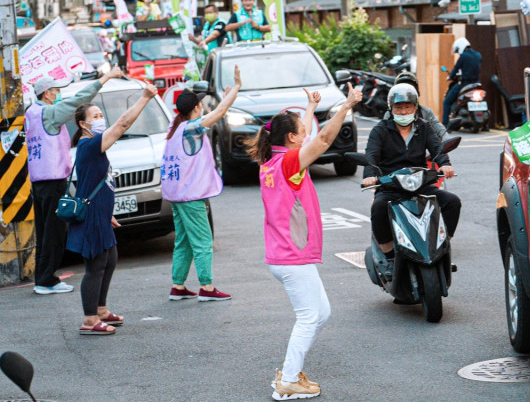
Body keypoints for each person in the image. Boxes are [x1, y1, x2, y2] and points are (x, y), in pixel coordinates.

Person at [247, 84, 361, 401]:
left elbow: (309, 138)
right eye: (301, 130)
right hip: (291, 258)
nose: (306, 133)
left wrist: (309, 110)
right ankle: (287, 381)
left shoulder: (272, 160)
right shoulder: (290, 163)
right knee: (310, 317)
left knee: (320, 313)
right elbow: (322, 140)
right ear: (292, 139)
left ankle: (290, 374)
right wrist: (347, 105)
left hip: (282, 255)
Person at [68, 82, 159, 334]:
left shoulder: (94, 144)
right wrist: (144, 98)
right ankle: (89, 320)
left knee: (110, 259)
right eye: (95, 117)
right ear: (82, 125)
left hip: (100, 214)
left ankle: (100, 310)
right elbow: (122, 125)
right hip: (91, 216)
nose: (100, 119)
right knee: (95, 266)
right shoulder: (88, 146)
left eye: (100, 115)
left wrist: (107, 214)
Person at [25, 67, 123, 295]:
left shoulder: (32, 112)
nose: (59, 94)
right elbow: (80, 100)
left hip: (39, 182)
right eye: (57, 91)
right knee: (55, 233)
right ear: (47, 93)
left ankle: (44, 278)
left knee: (45, 232)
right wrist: (105, 78)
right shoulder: (49, 113)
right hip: (52, 182)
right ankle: (47, 280)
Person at [164, 67, 242, 302]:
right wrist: (235, 89)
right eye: (200, 103)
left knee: (185, 241)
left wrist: (227, 97)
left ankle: (178, 286)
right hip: (190, 196)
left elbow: (213, 113)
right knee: (202, 241)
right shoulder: (190, 129)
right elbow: (216, 114)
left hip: (176, 195)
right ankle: (206, 288)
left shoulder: (175, 127)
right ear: (195, 108)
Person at [365, 84, 460, 273]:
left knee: (452, 202)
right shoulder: (380, 130)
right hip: (390, 185)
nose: (403, 111)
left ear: (415, 108)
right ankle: (389, 257)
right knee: (378, 208)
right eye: (399, 108)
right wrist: (370, 176)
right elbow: (371, 155)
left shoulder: (423, 127)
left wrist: (445, 164)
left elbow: (437, 149)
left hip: (419, 183)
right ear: (391, 108)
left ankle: (442, 247)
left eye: (407, 107)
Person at [383, 71, 447, 140]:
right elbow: (381, 135)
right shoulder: (389, 115)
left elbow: (439, 129)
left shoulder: (425, 113)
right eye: (399, 108)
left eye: (408, 107)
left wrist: (446, 138)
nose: (404, 112)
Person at [442, 37, 482, 125]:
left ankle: (445, 124)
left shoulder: (463, 56)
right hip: (477, 84)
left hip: (465, 84)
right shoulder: (478, 55)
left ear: (460, 46)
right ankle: (485, 126)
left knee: (447, 102)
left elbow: (456, 68)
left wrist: (450, 77)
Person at [189, 3, 227, 68]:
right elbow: (201, 41)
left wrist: (205, 41)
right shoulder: (206, 25)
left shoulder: (221, 23)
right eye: (206, 13)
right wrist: (194, 39)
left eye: (210, 12)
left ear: (216, 13)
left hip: (221, 57)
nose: (208, 15)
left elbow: (214, 35)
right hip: (210, 58)